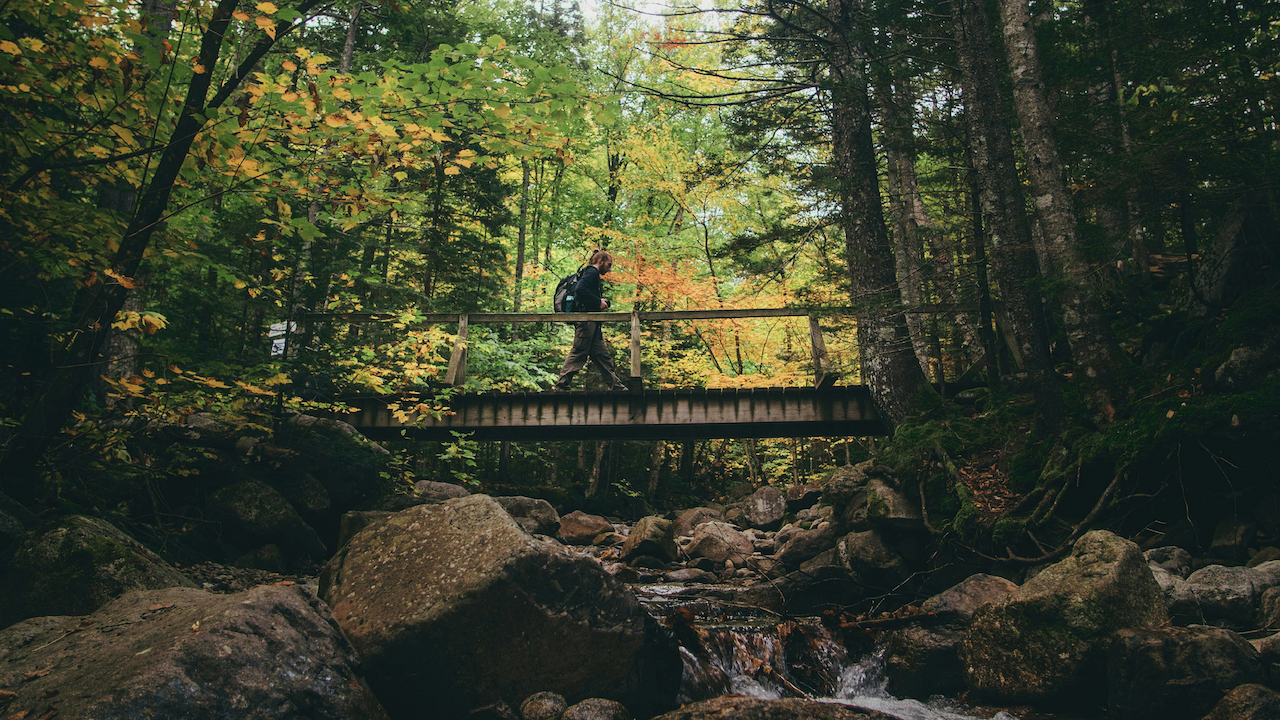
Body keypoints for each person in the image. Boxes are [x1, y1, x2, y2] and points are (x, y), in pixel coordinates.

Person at [553, 249, 629, 392]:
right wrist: (598, 302)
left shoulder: (589, 273)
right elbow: (580, 290)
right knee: (579, 352)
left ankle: (616, 386)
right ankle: (562, 386)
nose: (609, 269)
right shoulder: (592, 273)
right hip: (586, 323)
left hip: (592, 323)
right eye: (608, 265)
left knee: (601, 355)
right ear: (600, 262)